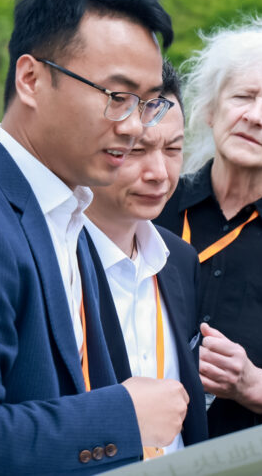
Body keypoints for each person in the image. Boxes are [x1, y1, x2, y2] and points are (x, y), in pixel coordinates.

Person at [0, 0, 188, 474]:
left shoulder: (68, 211)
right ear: (31, 79)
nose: (135, 126)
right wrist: (122, 418)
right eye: (117, 97)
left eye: (148, 102)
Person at [154, 16, 262, 438]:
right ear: (210, 109)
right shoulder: (151, 206)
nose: (254, 116)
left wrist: (255, 386)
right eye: (243, 96)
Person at [84, 61, 207, 455]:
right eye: (137, 150)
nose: (160, 173)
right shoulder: (51, 259)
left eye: (173, 149)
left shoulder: (180, 260)